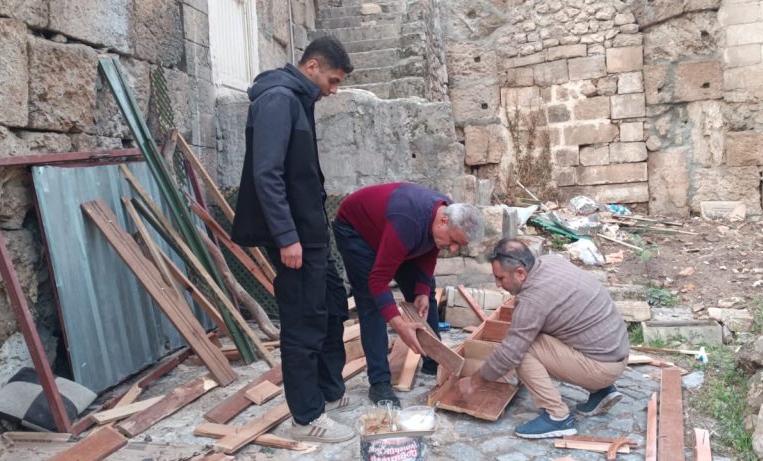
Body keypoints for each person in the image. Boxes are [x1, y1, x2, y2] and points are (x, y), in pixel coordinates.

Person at [230, 36, 358, 443]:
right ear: (312, 67)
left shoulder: (299, 99)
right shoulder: (278, 100)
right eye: (333, 80)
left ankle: (328, 392)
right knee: (303, 323)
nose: (333, 90)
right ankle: (306, 418)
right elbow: (266, 174)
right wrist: (287, 237)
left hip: (311, 231)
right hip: (295, 236)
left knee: (333, 307)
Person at [457, 238, 629, 439]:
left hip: (603, 366)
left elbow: (510, 354)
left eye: (500, 278)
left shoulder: (533, 299)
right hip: (616, 351)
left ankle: (557, 416)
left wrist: (474, 382)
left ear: (521, 273)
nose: (497, 284)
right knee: (536, 333)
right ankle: (602, 391)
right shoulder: (550, 262)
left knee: (523, 350)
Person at [332, 182, 484, 407]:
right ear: (443, 221)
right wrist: (400, 325)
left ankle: (434, 358)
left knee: (425, 293)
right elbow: (378, 281)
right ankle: (379, 383)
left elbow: (430, 249)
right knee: (371, 303)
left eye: (458, 246)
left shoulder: (446, 212)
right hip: (357, 232)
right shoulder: (407, 223)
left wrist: (422, 289)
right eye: (453, 242)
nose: (452, 249)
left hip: (392, 229)